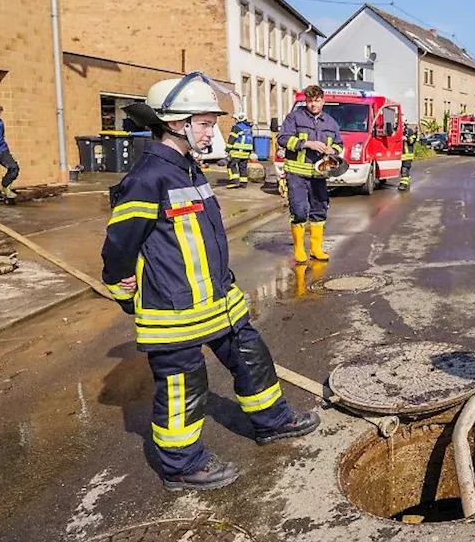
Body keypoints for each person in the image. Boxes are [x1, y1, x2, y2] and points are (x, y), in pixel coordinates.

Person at [101, 73, 319, 492]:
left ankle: (272, 422)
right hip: (174, 308)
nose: (211, 131)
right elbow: (118, 248)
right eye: (203, 122)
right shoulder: (148, 179)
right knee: (186, 387)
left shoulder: (188, 170)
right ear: (175, 124)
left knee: (251, 356)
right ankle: (180, 464)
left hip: (218, 299)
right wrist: (123, 291)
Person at [276, 85, 341, 264]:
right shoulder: (294, 117)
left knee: (320, 209)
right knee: (299, 210)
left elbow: (339, 144)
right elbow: (282, 138)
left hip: (319, 174)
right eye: (310, 101)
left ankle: (316, 248)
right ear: (306, 101)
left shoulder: (331, 122)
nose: (313, 105)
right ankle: (299, 248)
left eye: (317, 101)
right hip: (296, 174)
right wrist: (306, 144)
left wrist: (332, 150)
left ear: (323, 101)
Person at [226, 114, 253, 189]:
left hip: (237, 152)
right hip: (246, 152)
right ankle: (243, 182)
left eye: (236, 119)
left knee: (231, 165)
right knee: (243, 167)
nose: (235, 120)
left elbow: (232, 139)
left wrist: (227, 149)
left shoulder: (236, 127)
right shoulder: (248, 128)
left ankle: (234, 181)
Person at [398, 124, 419, 191]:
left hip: (407, 155)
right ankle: (406, 181)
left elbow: (413, 140)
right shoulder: (398, 130)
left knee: (405, 169)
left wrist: (406, 139)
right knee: (403, 170)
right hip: (400, 155)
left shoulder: (409, 131)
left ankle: (403, 184)